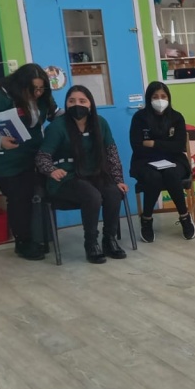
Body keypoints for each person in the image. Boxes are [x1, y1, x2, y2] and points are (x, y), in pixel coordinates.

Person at [0, 63, 57, 261]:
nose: (37, 92)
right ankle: (23, 242)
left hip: (27, 153)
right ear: (19, 85)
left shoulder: (41, 95)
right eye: (33, 89)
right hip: (1, 157)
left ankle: (37, 237)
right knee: (19, 195)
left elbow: (54, 113)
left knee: (30, 194)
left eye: (41, 88)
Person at [36, 86, 129, 264]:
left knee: (113, 193)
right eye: (71, 101)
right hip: (66, 179)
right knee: (92, 196)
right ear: (66, 104)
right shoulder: (57, 126)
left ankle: (109, 240)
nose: (76, 105)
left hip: (94, 174)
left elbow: (112, 154)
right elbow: (42, 157)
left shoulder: (100, 123)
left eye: (82, 101)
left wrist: (118, 180)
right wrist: (51, 170)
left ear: (91, 104)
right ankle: (91, 244)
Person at [129, 81, 195, 242]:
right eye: (155, 96)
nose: (160, 100)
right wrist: (166, 146)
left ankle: (185, 216)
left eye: (163, 96)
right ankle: (146, 219)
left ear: (168, 98)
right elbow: (137, 146)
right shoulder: (139, 118)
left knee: (172, 173)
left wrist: (153, 143)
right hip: (145, 161)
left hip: (174, 160)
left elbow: (180, 146)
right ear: (148, 99)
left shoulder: (176, 117)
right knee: (154, 177)